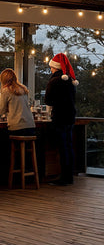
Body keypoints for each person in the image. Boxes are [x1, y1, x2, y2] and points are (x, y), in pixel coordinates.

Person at [45, 53, 78, 186]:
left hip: (59, 116)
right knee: (68, 146)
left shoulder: (54, 81)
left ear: (54, 67)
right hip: (70, 116)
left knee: (62, 147)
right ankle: (69, 175)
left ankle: (64, 178)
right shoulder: (70, 81)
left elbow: (48, 100)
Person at [0, 68, 35, 136]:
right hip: (30, 126)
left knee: (0, 137)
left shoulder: (6, 90)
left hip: (17, 127)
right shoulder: (23, 89)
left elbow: (0, 111)